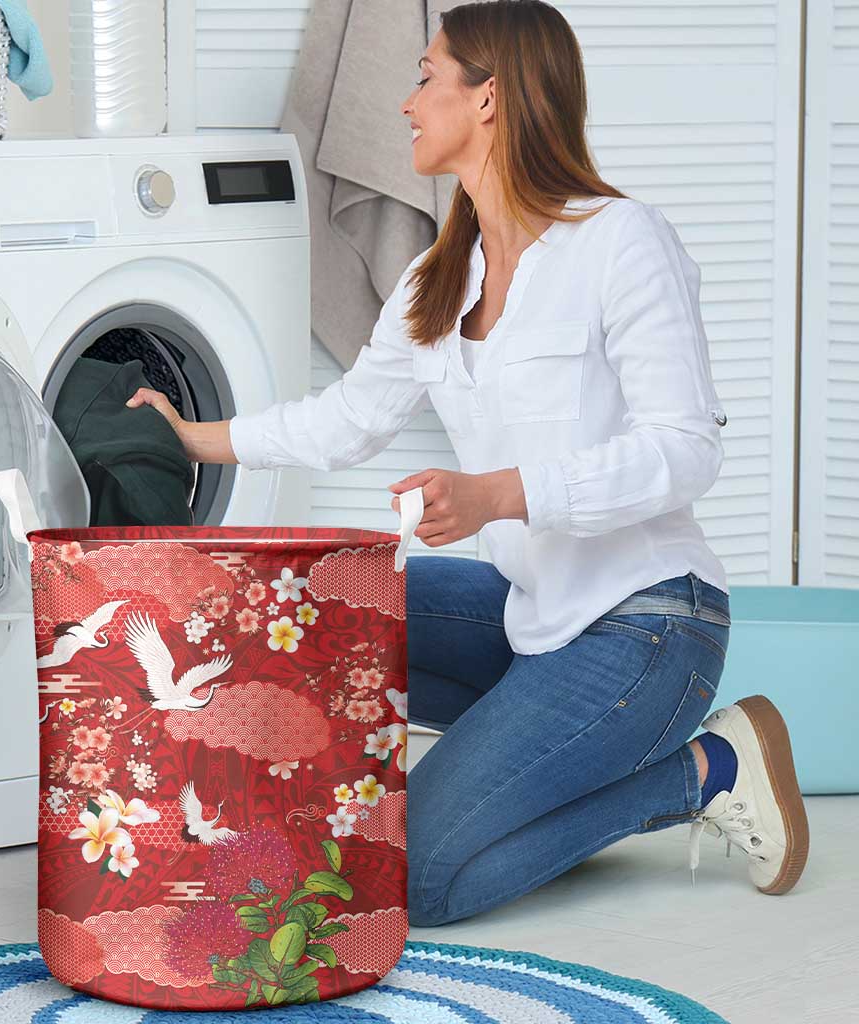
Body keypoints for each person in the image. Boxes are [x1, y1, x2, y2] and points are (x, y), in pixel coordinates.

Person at [125, 0, 810, 927]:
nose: (406, 103)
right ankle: (495, 766)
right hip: (534, 618)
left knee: (415, 881)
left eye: (424, 77)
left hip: (649, 625)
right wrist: (198, 435)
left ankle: (705, 772)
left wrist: (501, 496)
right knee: (318, 606)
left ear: (488, 99)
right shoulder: (437, 278)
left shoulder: (619, 240)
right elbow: (349, 420)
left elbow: (685, 452)